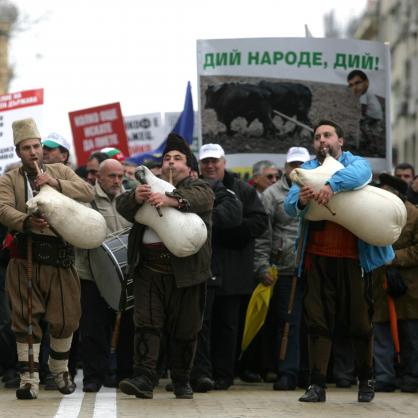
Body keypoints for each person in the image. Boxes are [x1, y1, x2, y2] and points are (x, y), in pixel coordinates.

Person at [284, 119, 394, 403]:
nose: (322, 140)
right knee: (317, 322)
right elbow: (289, 205)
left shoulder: (353, 162)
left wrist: (332, 185)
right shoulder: (307, 170)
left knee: (360, 323)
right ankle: (317, 385)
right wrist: (302, 201)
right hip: (317, 259)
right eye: (318, 136)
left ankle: (365, 380)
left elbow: (362, 173)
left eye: (328, 135)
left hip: (355, 260)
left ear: (340, 141)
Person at [0, 118, 94, 400]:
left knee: (65, 318)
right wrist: (26, 222)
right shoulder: (8, 179)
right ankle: (28, 378)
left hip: (60, 257)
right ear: (18, 152)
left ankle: (59, 369)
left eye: (37, 146)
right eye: (27, 148)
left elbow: (88, 192)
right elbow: (2, 208)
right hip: (25, 257)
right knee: (26, 319)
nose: (33, 152)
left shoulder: (61, 170)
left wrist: (54, 182)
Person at [116, 133, 214, 399]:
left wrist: (171, 200)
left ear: (190, 168)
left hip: (187, 272)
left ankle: (182, 381)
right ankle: (144, 379)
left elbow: (203, 199)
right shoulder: (147, 187)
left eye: (178, 158)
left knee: (186, 329)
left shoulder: (200, 187)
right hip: (149, 269)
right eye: (167, 158)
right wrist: (136, 196)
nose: (171, 162)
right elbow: (122, 206)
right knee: (147, 324)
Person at [197, 143, 268, 390]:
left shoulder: (242, 190)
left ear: (224, 162)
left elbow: (260, 222)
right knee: (201, 326)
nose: (210, 165)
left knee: (228, 326)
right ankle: (202, 374)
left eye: (214, 161)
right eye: (205, 161)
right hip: (204, 271)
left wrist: (232, 231)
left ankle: (224, 375)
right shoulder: (194, 189)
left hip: (234, 271)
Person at [254, 146, 310, 390]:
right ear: (285, 167)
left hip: (313, 265)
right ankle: (286, 372)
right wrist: (261, 264)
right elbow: (263, 234)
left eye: (302, 164)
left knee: (314, 321)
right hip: (284, 267)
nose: (297, 169)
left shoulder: (320, 188)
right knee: (288, 321)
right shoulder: (271, 194)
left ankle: (311, 373)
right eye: (292, 165)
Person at [76, 159, 133, 392]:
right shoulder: (86, 199)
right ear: (99, 177)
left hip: (125, 276)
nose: (117, 181)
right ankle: (93, 377)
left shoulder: (129, 199)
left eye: (120, 177)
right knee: (94, 328)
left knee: (128, 329)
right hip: (92, 274)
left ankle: (124, 374)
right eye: (111, 176)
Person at [372, 173, 418, 393]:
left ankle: (411, 376)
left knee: (410, 333)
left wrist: (393, 258)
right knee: (381, 331)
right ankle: (384, 376)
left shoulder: (414, 214)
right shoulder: (374, 214)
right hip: (380, 284)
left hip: (409, 287)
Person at [347, 69, 384, 143]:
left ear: (366, 82)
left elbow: (364, 106)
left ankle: (369, 140)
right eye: (351, 85)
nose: (355, 87)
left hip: (372, 114)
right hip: (378, 114)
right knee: (372, 128)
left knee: (362, 125)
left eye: (358, 83)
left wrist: (362, 116)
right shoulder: (369, 92)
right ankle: (373, 141)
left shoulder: (363, 94)